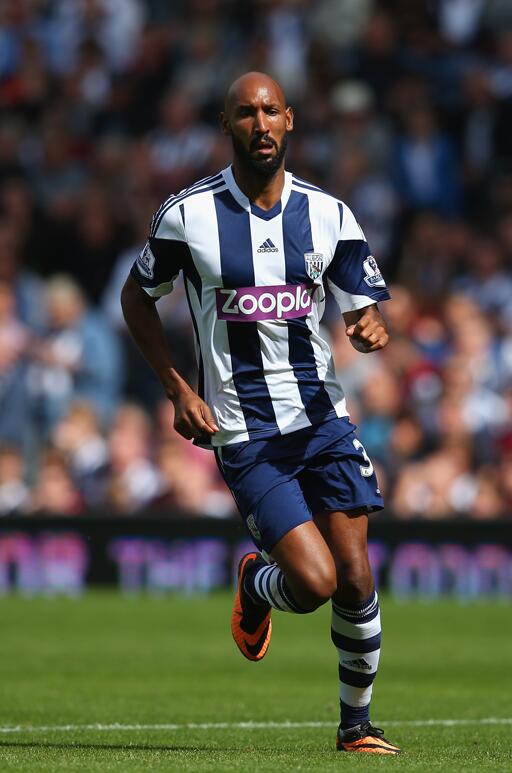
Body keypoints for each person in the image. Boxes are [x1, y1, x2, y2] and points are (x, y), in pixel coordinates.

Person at [121, 72, 400, 755]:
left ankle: (356, 726)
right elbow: (136, 298)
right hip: (246, 433)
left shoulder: (329, 214)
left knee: (355, 574)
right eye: (246, 113)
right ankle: (256, 581)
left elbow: (362, 308)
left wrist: (368, 326)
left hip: (323, 420)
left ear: (290, 120)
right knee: (314, 581)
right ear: (227, 125)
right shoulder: (188, 216)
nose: (260, 123)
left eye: (271, 110)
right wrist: (177, 388)